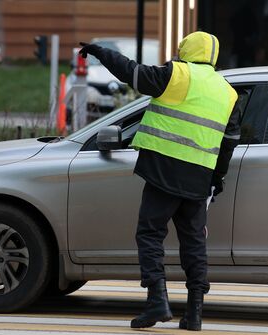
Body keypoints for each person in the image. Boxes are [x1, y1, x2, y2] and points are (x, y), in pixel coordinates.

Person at [79, 31, 240, 331]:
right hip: (199, 177)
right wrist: (215, 180)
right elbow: (229, 141)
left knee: (150, 233)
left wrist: (101, 52)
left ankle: (157, 301)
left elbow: (132, 72)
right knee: (193, 242)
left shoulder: (177, 74)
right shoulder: (227, 92)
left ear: (187, 49)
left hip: (165, 168)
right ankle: (194, 313)